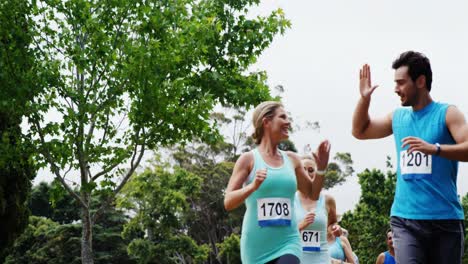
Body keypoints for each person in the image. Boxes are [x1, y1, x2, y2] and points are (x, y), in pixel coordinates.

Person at [352, 51, 468, 264]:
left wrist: (435, 149)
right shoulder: (397, 117)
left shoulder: (448, 114)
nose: (396, 89)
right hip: (405, 221)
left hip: (445, 221)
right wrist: (364, 99)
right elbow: (360, 131)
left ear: (421, 81)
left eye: (401, 83)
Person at [224, 101, 331, 264]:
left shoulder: (293, 159)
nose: (288, 122)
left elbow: (312, 193)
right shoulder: (248, 160)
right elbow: (228, 201)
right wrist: (252, 187)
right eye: (283, 117)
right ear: (266, 122)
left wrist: (321, 169)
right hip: (256, 248)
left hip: (289, 242)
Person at [295, 156, 341, 263]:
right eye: (303, 170)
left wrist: (335, 228)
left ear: (317, 174)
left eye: (311, 170)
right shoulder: (290, 199)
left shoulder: (327, 200)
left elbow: (332, 223)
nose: (307, 173)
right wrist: (301, 225)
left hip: (321, 258)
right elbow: (281, 233)